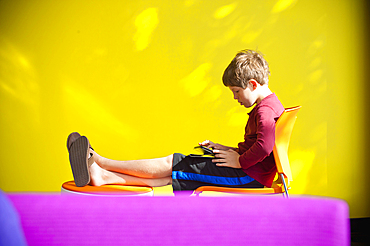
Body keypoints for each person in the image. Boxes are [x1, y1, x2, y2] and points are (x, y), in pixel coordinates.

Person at [66, 49, 285, 194]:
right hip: (250, 173)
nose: (235, 97)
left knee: (173, 164)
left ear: (253, 84)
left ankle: (101, 162)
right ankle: (102, 176)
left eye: (237, 91)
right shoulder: (272, 105)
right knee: (173, 173)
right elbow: (260, 143)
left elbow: (264, 146)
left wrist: (240, 161)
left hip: (246, 176)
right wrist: (226, 149)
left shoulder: (264, 111)